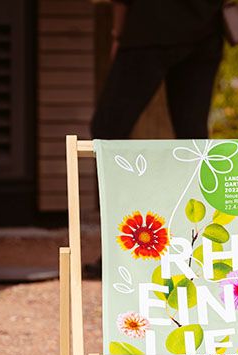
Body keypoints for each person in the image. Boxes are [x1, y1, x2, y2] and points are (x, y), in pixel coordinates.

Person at [86, 0, 224, 277]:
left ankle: (120, 251)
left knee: (107, 132)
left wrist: (118, 34)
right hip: (205, 26)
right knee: (193, 141)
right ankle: (196, 252)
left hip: (149, 26)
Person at [91, 0, 224, 140]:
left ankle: (112, 160)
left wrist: (118, 34)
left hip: (148, 29)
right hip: (204, 30)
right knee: (192, 133)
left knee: (107, 128)